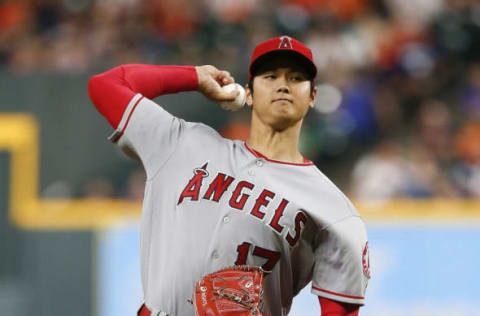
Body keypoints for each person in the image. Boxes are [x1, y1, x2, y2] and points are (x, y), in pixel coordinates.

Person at [88, 35, 369, 316]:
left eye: (296, 78)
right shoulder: (183, 143)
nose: (283, 85)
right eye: (270, 76)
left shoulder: (335, 210)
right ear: (248, 93)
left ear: (312, 97)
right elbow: (105, 85)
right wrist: (194, 77)